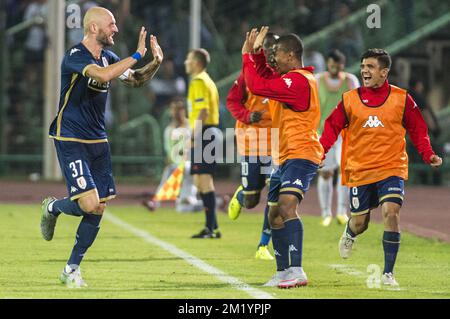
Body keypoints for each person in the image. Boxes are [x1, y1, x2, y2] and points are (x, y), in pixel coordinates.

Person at [40, 6, 163, 288]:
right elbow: (103, 76)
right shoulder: (75, 56)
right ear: (94, 28)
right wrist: (135, 55)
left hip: (98, 140)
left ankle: (71, 269)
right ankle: (53, 208)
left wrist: (154, 62)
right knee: (88, 203)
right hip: (70, 137)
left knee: (98, 209)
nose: (116, 29)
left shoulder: (109, 56)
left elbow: (133, 79)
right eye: (111, 24)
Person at [320, 48, 442, 288]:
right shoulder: (349, 99)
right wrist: (320, 152)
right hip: (360, 170)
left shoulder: (402, 98)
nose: (365, 70)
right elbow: (331, 126)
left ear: (384, 72)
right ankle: (350, 233)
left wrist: (428, 154)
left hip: (391, 167)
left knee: (391, 212)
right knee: (360, 223)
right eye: (363, 66)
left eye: (371, 67)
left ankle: (388, 273)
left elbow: (418, 128)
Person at [242, 27, 323, 288]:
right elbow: (264, 76)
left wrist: (247, 56)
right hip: (285, 155)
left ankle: (297, 269)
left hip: (302, 153)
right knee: (274, 215)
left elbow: (256, 84)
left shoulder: (299, 81)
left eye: (276, 53)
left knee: (287, 206)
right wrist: (255, 55)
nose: (272, 57)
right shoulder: (289, 79)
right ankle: (282, 271)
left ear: (291, 54)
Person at [226, 32, 279, 261]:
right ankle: (241, 195)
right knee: (252, 200)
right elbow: (231, 101)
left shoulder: (284, 75)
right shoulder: (247, 75)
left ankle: (262, 246)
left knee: (275, 195)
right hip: (251, 141)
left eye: (273, 48)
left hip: (276, 142)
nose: (270, 52)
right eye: (266, 47)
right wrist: (248, 116)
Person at [315, 49, 360, 226]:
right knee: (325, 173)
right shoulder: (318, 80)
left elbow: (357, 104)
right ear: (328, 63)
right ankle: (326, 213)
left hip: (344, 134)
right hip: (323, 132)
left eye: (339, 64)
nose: (335, 67)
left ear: (343, 64)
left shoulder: (350, 81)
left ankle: (342, 212)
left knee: (345, 172)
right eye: (333, 63)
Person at [184, 48, 221, 239]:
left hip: (205, 133)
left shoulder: (198, 81)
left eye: (188, 59)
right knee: (201, 181)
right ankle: (212, 225)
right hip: (209, 132)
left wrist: (192, 137)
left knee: (203, 181)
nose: (186, 62)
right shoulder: (207, 80)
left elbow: (203, 111)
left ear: (197, 63)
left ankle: (210, 228)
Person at [142, 97, 203, 212]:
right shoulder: (169, 130)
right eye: (175, 109)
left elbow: (197, 146)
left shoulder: (191, 126)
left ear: (184, 111)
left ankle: (155, 202)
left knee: (186, 201)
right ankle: (214, 203)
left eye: (179, 109)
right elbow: (168, 150)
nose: (177, 112)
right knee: (183, 208)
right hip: (177, 166)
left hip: (190, 165)